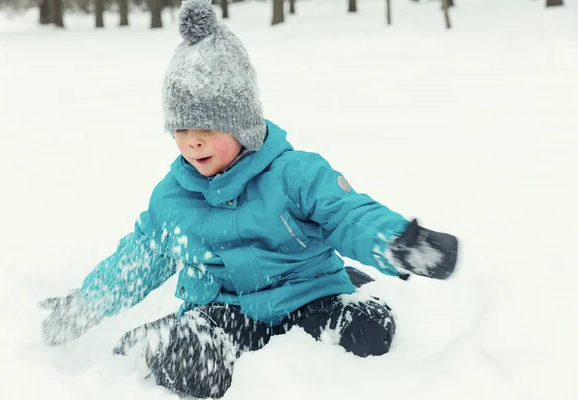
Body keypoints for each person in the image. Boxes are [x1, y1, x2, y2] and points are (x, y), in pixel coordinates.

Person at [39, 0, 459, 398]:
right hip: (228, 312)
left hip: (309, 296)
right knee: (192, 363)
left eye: (207, 126)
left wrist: (400, 243)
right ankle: (153, 342)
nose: (193, 141)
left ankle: (353, 285)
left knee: (368, 333)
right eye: (181, 129)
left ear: (242, 124)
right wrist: (81, 307)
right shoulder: (173, 200)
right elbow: (137, 261)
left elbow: (348, 215)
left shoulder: (294, 174)